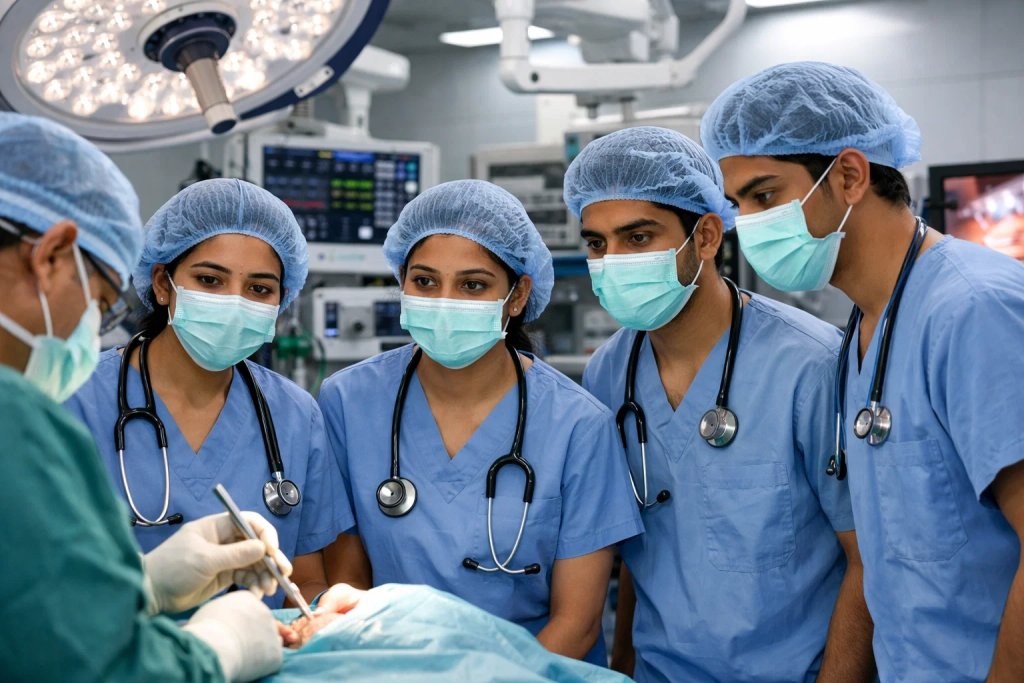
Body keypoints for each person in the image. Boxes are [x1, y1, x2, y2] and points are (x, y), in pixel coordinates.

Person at [702, 61, 1024, 683]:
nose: (750, 223)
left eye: (765, 195)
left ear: (849, 175)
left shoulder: (973, 309)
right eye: (739, 203)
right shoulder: (867, 329)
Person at [565, 126, 874, 682]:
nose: (612, 262)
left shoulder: (809, 364)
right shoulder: (610, 373)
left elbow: (866, 558)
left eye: (638, 238)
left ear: (706, 237)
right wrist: (625, 668)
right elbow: (642, 543)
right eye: (596, 243)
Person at [0, 112, 288, 682]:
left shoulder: (291, 410)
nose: (93, 326)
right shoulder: (15, 417)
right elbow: (101, 671)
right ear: (54, 253)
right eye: (102, 301)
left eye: (259, 288)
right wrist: (218, 647)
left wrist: (142, 584)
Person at [317, 179, 643, 665]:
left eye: (473, 284)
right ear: (401, 282)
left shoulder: (577, 425)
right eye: (425, 281)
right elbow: (350, 588)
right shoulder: (349, 402)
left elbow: (576, 625)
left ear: (516, 296)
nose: (445, 301)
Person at [64, 178, 354, 608]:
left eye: (259, 289)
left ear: (281, 300)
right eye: (210, 280)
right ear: (163, 283)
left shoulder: (294, 415)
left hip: (259, 662)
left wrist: (318, 612)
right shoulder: (76, 398)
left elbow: (305, 579)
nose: (234, 303)